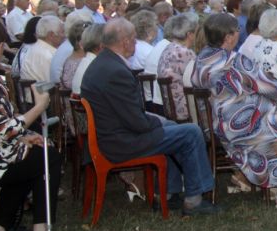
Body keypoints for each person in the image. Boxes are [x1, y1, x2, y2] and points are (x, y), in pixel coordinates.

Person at [81, 19, 219, 215]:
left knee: (172, 126)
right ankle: (195, 198)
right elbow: (136, 122)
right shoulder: (115, 72)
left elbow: (128, 113)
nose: (136, 44)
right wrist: (157, 121)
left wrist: (159, 121)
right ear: (126, 41)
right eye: (134, 40)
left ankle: (169, 192)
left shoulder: (103, 63)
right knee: (190, 132)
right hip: (121, 141)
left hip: (114, 134)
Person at [191, 13, 277, 208]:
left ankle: (275, 183)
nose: (237, 34)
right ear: (228, 37)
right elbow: (269, 87)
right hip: (246, 126)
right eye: (236, 31)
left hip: (220, 124)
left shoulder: (202, 59)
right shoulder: (234, 61)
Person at [0, 21, 74, 231]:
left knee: (31, 156)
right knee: (48, 157)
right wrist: (39, 107)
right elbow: (5, 130)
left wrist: (23, 138)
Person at [156, 13, 198, 120]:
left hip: (170, 108)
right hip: (185, 109)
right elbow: (199, 81)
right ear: (189, 34)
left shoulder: (167, 48)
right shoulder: (184, 53)